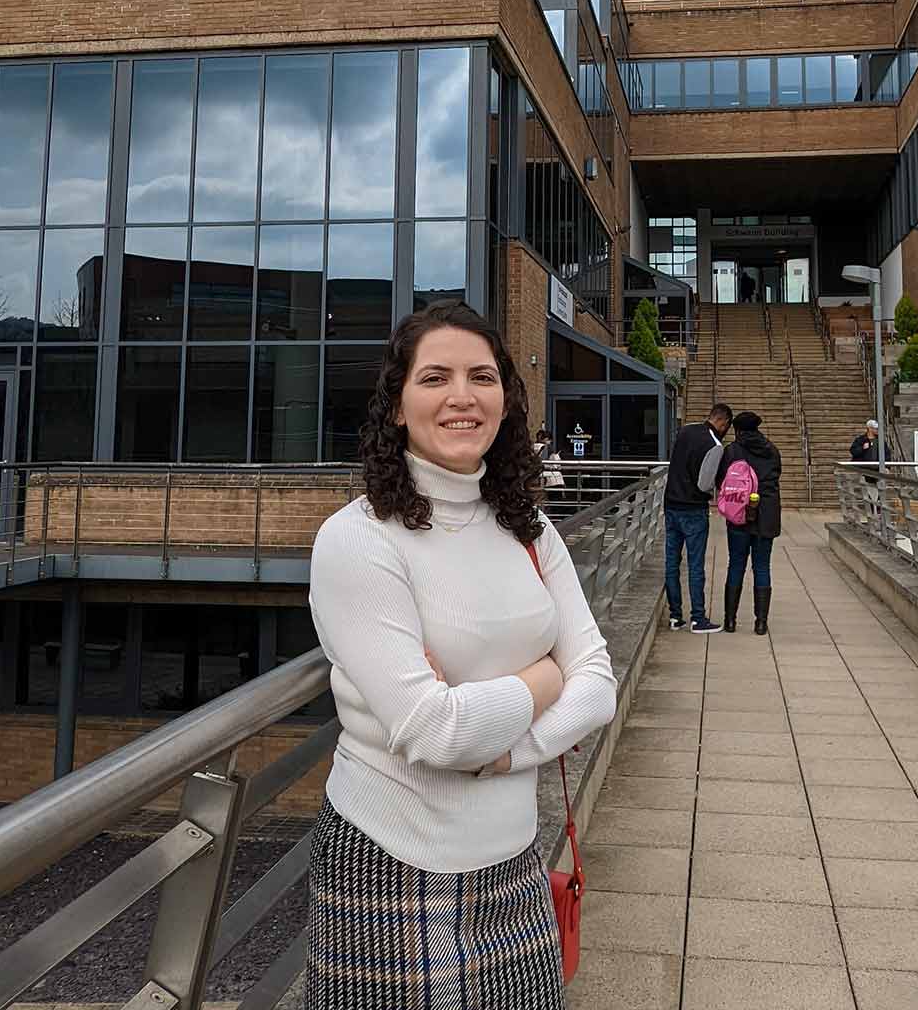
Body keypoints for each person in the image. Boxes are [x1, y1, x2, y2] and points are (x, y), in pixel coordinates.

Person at [306, 301, 616, 1008]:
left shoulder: (529, 530)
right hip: (391, 858)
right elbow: (433, 729)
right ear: (397, 405)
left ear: (506, 400)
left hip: (516, 858)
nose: (461, 396)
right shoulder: (359, 540)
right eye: (435, 377)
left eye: (481, 376)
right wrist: (545, 676)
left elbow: (598, 688)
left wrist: (502, 751)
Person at [704, 410, 782, 635]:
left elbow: (720, 481)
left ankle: (730, 621)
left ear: (737, 430)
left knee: (736, 564)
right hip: (766, 517)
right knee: (762, 567)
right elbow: (776, 477)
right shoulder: (771, 450)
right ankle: (761, 623)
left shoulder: (732, 451)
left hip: (738, 517)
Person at [663, 403, 733, 633]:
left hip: (671, 504)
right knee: (695, 565)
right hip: (693, 510)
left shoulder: (686, 430)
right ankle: (698, 618)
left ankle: (675, 616)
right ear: (723, 422)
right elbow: (704, 484)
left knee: (672, 562)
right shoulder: (715, 445)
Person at [534, 427, 565, 495]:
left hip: (535, 475)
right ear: (546, 439)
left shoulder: (532, 446)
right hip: (547, 477)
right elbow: (555, 464)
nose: (550, 442)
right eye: (550, 440)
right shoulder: (547, 448)